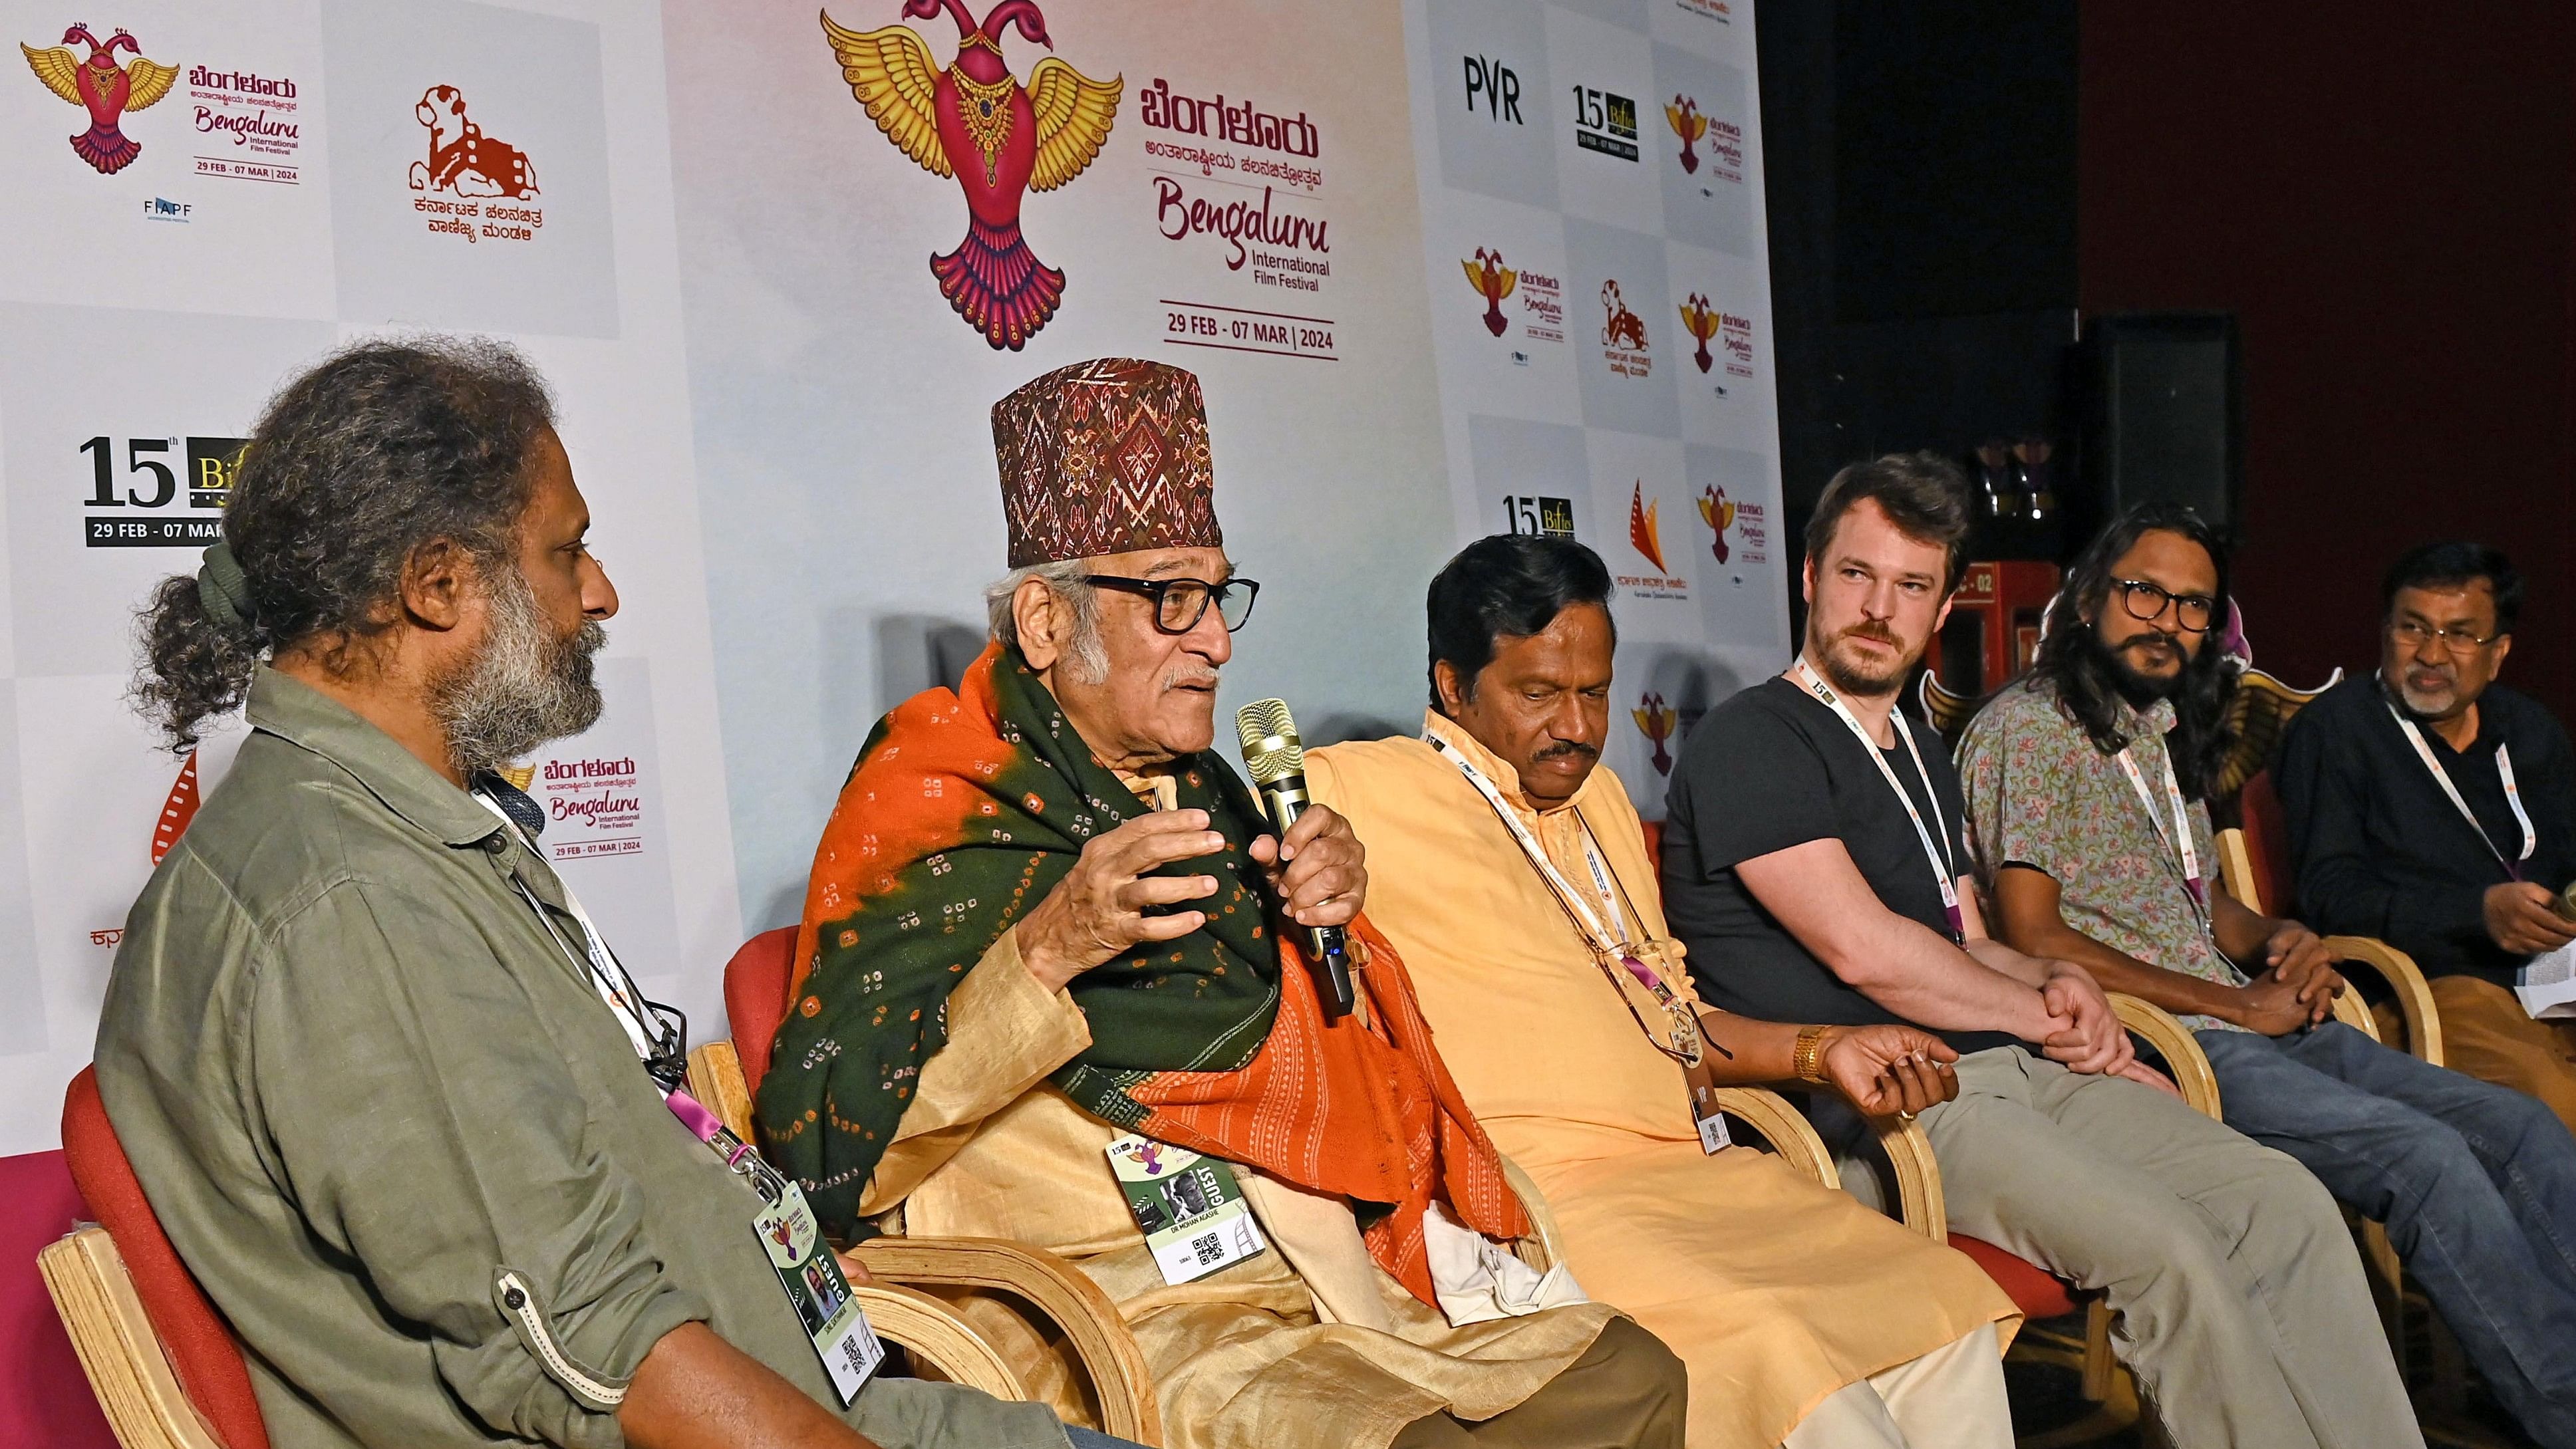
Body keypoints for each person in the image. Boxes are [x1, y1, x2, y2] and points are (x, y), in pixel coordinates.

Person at [100, 340, 1136, 1449]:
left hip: (825, 1393)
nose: (598, 593)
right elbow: (605, 1355)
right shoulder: (352, 898)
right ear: (435, 583)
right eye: (566, 551)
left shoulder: (395, 825)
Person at [763, 358, 1687, 1449]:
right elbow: (827, 1140)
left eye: (1218, 592)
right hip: (1117, 1308)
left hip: (1309, 1271)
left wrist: (1329, 918)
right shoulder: (936, 792)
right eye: (1171, 598)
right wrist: (1045, 950)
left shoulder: (1200, 783)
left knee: (1632, 1370)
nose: (1218, 639)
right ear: (1046, 621)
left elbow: (1307, 1048)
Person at [1661, 454, 2419, 1449]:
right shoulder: (1754, 737)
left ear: (1940, 605)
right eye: (1857, 575)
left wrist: (2070, 998)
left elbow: (1969, 940)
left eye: (1911, 585)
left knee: (2285, 1203)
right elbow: (1867, 952)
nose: (1880, 608)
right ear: (1808, 577)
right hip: (1890, 1097)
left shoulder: (1915, 749)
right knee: (2172, 1249)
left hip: (2005, 1067)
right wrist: (2035, 1011)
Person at [1304, 533, 2019, 1449]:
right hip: (1546, 1201)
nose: (1575, 723)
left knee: (1935, 1304)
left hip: (1698, 1169)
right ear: (1452, 687)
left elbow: (1678, 1018)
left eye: (1593, 692)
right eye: (1537, 693)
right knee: (1789, 1363)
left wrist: (1823, 1049)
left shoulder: (1598, 798)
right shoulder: (1357, 785)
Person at [1961, 505, 2576, 1448]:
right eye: (2144, 592)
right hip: (2170, 1043)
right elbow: (2035, 937)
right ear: (2088, 596)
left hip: (2253, 1018)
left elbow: (2202, 907)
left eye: (2193, 606)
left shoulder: (2154, 727)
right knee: (2428, 1160)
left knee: (2519, 1124)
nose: (2166, 619)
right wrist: (2234, 999)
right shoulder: (2031, 730)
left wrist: (2280, 934)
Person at [2279, 543, 2576, 1134]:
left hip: (2553, 981)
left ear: (2497, 653)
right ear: (2384, 631)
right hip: (2432, 991)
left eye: (2460, 634)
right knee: (2555, 1107)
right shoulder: (2337, 732)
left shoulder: (2528, 729)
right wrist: (2475, 914)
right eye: (2413, 628)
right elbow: (2329, 896)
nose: (2432, 654)